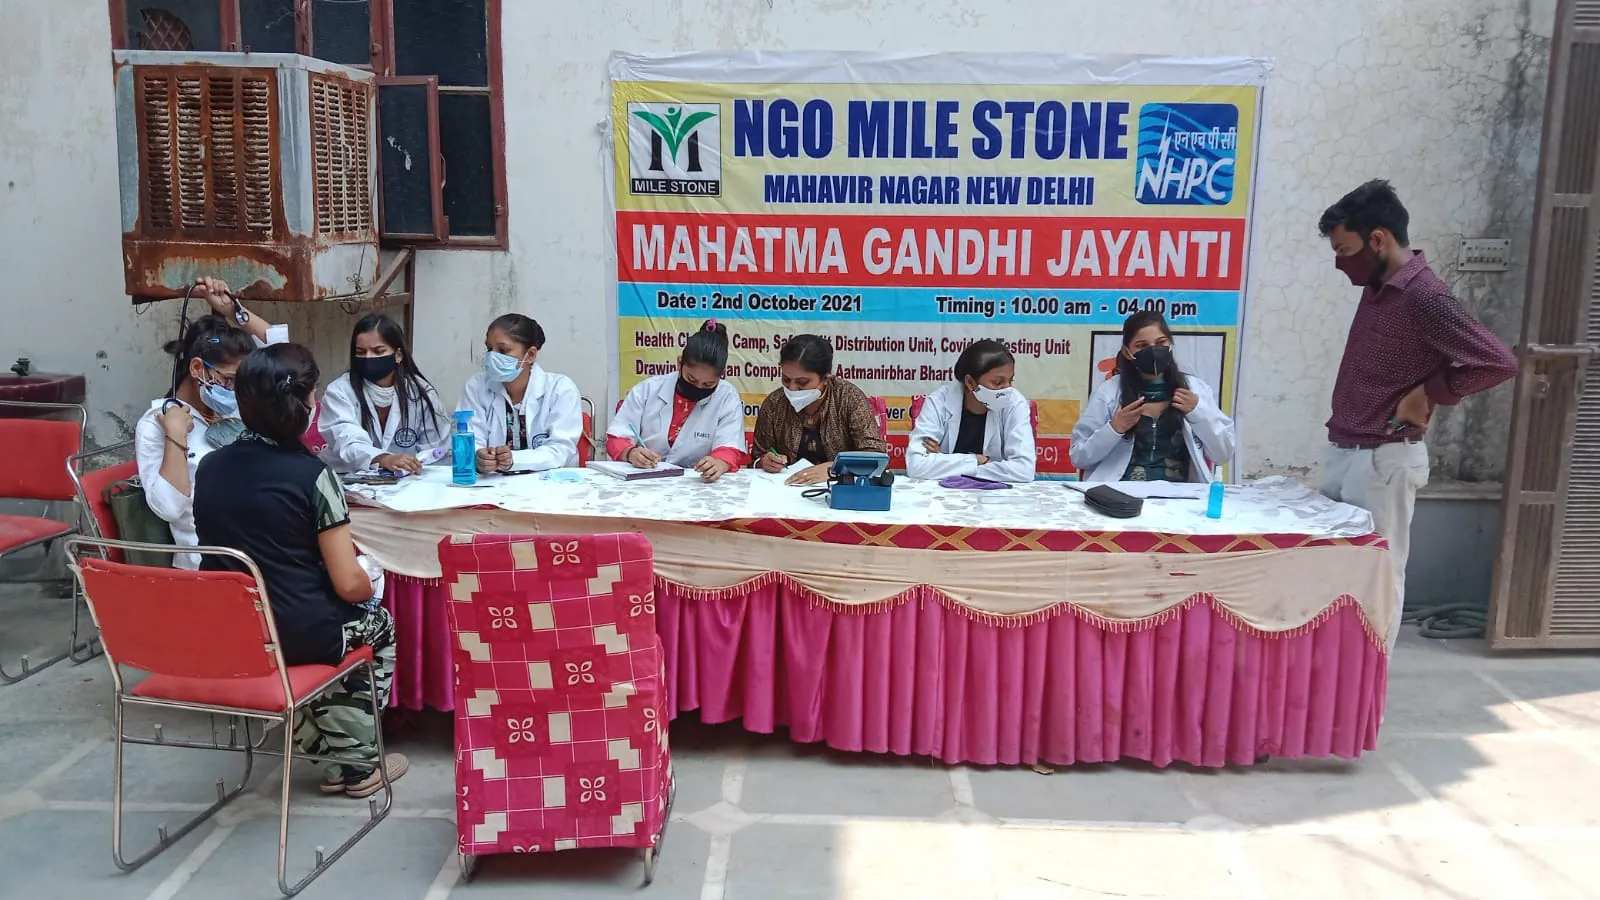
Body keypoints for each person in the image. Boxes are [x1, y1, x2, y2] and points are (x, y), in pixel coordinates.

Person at [193, 343, 407, 798]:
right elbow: (348, 585)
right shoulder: (312, 476)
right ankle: (359, 764)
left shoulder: (209, 468)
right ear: (307, 404)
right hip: (302, 629)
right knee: (378, 624)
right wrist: (369, 578)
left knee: (323, 629)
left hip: (235, 631)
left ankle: (331, 760)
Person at [1318, 180, 1516, 646]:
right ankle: (1341, 672)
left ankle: (1371, 677)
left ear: (1378, 239)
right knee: (1337, 573)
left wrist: (1430, 393)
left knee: (1377, 575)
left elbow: (1498, 362)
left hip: (1383, 459)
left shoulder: (1425, 297)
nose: (1341, 263)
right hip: (1347, 448)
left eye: (1345, 250)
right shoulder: (1378, 288)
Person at [133, 277, 288, 569]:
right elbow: (168, 507)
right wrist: (176, 436)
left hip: (261, 544)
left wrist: (234, 312)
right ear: (197, 368)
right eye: (230, 379)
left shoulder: (236, 409)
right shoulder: (156, 424)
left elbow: (286, 360)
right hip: (210, 560)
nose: (237, 390)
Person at [1070, 311, 1235, 482]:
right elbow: (1079, 457)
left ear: (1170, 344)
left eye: (1161, 342)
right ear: (1127, 352)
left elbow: (1223, 454)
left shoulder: (1195, 390)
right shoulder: (1108, 393)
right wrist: (1114, 428)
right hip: (1119, 492)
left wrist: (1198, 413)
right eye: (1142, 345)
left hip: (1181, 494)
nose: (1153, 350)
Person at [606, 320, 749, 481]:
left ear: (721, 375)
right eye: (691, 379)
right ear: (679, 363)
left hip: (697, 483)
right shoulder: (648, 390)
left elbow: (729, 447)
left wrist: (719, 463)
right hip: (644, 479)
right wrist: (630, 453)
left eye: (708, 384)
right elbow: (616, 438)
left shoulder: (726, 396)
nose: (698, 388)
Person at [318, 314, 448, 475]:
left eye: (378, 351)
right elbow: (347, 440)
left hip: (407, 480)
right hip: (346, 477)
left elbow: (435, 448)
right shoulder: (340, 391)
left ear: (398, 355)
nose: (368, 357)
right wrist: (383, 459)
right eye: (361, 352)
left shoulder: (421, 393)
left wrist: (415, 465)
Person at [751, 334, 888, 485]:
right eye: (786, 379)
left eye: (802, 382)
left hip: (840, 489)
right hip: (787, 488)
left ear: (826, 379)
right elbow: (757, 457)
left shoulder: (849, 398)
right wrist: (764, 461)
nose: (792, 388)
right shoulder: (774, 403)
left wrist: (834, 468)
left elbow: (876, 456)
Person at [456, 314, 582, 473]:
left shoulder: (560, 389)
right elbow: (469, 437)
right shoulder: (476, 387)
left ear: (530, 355)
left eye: (503, 351)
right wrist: (477, 456)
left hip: (550, 481)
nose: (492, 357)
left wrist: (513, 459)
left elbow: (560, 449)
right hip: (492, 482)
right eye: (489, 349)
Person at [906, 339, 1036, 483]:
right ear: (970, 383)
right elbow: (916, 465)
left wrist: (945, 461)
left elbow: (1024, 470)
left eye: (1010, 381)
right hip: (945, 493)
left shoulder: (1015, 403)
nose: (1007, 389)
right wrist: (978, 460)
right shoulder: (939, 401)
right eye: (998, 382)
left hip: (996, 493)